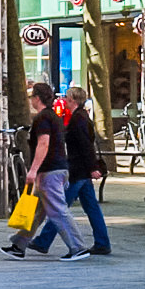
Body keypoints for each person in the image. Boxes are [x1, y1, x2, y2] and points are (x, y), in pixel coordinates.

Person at [4, 80, 86, 260]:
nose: (30, 100)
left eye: (32, 96)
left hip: (50, 170)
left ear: (37, 98)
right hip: (56, 169)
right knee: (37, 211)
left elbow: (43, 143)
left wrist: (33, 171)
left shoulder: (42, 118)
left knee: (57, 210)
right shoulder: (53, 116)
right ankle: (19, 244)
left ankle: (77, 247)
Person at [47, 86, 113, 257]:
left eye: (67, 98)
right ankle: (102, 242)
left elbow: (85, 146)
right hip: (82, 170)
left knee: (59, 207)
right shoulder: (81, 117)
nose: (65, 101)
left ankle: (43, 240)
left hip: (78, 171)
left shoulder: (78, 119)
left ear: (72, 100)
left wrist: (93, 168)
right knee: (91, 207)